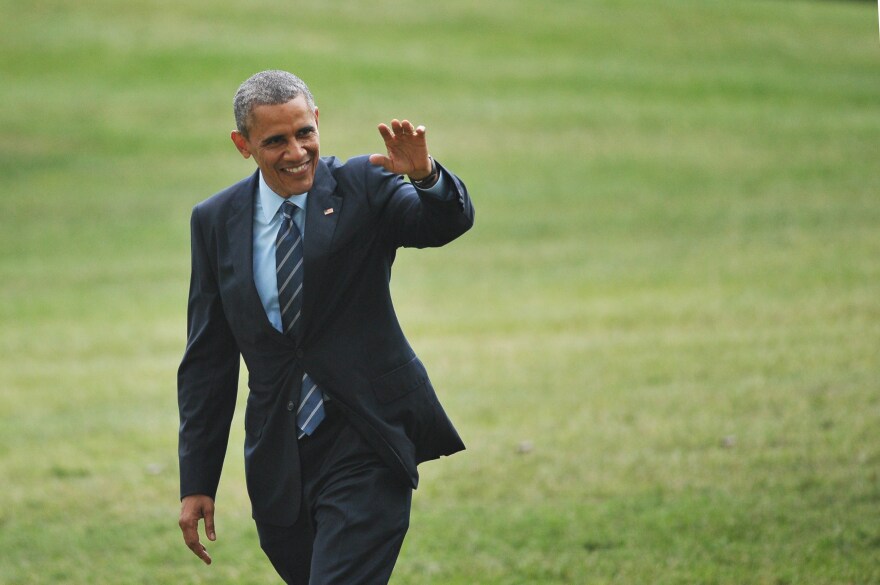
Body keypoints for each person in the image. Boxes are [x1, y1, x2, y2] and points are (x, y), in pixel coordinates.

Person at [176, 69, 475, 584]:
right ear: (243, 145)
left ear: (317, 121)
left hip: (367, 439)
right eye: (275, 141)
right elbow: (208, 360)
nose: (296, 151)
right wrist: (197, 479)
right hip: (278, 461)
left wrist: (426, 178)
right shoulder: (216, 220)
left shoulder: (363, 184)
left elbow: (441, 224)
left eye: (304, 133)